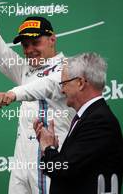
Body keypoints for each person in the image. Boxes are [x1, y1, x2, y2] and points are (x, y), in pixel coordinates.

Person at [0, 0, 75, 194]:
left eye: (35, 42)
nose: (29, 50)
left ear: (52, 39)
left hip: (51, 159)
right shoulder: (25, 69)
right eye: (25, 45)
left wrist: (13, 93)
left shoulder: (68, 69)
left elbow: (46, 85)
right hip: (21, 162)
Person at [34, 52, 123, 194]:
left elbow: (63, 169)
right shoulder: (90, 118)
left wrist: (48, 147)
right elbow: (72, 168)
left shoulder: (98, 121)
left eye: (64, 83)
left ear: (80, 83)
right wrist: (53, 150)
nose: (62, 90)